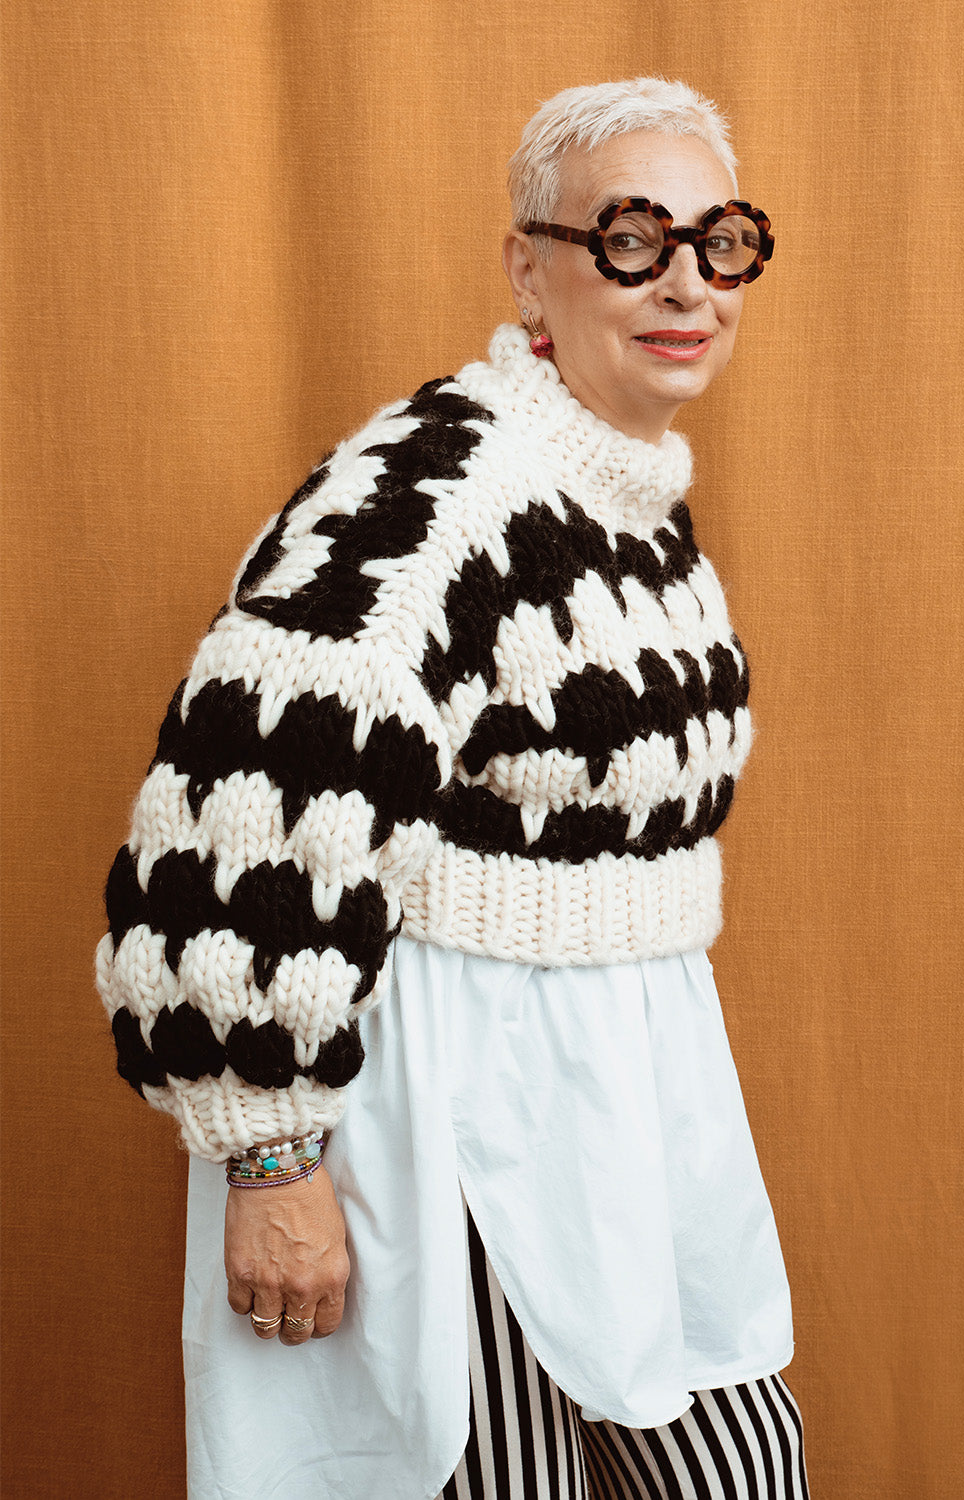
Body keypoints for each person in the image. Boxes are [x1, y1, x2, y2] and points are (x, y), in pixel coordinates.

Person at [97, 77, 809, 1499]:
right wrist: (268, 1155)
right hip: (463, 1104)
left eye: (720, 243)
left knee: (732, 1462)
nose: (686, 285)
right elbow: (235, 809)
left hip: (629, 1095)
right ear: (529, 268)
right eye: (630, 239)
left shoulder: (622, 493)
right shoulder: (432, 495)